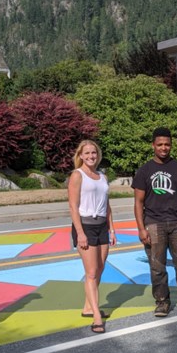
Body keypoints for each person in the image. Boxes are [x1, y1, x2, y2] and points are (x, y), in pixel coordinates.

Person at [133, 127, 177, 318]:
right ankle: (162, 302)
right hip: (153, 224)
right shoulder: (144, 170)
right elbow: (138, 202)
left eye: (167, 144)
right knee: (157, 267)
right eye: (160, 144)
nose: (164, 148)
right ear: (153, 146)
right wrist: (141, 228)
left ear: (171, 145)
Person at [68, 139, 116, 333]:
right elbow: (73, 206)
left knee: (101, 267)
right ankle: (96, 316)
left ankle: (88, 306)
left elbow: (107, 204)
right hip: (85, 226)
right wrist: (79, 233)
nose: (90, 156)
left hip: (102, 225)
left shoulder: (101, 176)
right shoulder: (77, 175)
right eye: (86, 153)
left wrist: (112, 228)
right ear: (80, 155)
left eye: (93, 153)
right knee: (91, 272)